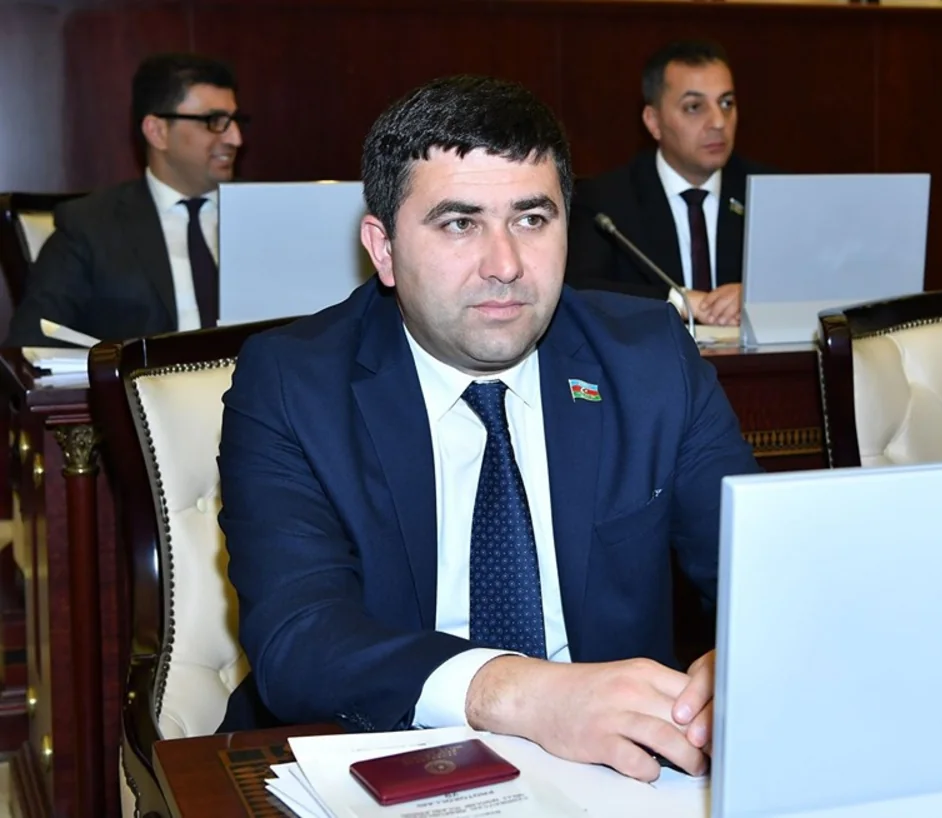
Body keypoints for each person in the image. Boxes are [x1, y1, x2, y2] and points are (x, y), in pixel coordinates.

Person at [217, 74, 761, 782]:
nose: (505, 266)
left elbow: (763, 576)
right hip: (379, 756)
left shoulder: (650, 359)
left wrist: (744, 655)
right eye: (459, 223)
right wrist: (521, 693)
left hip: (619, 775)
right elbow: (300, 637)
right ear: (383, 248)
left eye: (532, 219)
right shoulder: (293, 384)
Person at [4, 53, 245, 346]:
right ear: (157, 132)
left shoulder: (269, 215)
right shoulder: (90, 226)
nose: (235, 139)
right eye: (215, 121)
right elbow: (32, 341)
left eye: (235, 121)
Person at [565, 40, 777, 328]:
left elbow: (815, 278)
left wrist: (756, 296)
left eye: (726, 103)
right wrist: (680, 300)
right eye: (694, 107)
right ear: (653, 122)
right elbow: (578, 288)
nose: (718, 122)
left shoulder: (769, 192)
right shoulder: (605, 202)